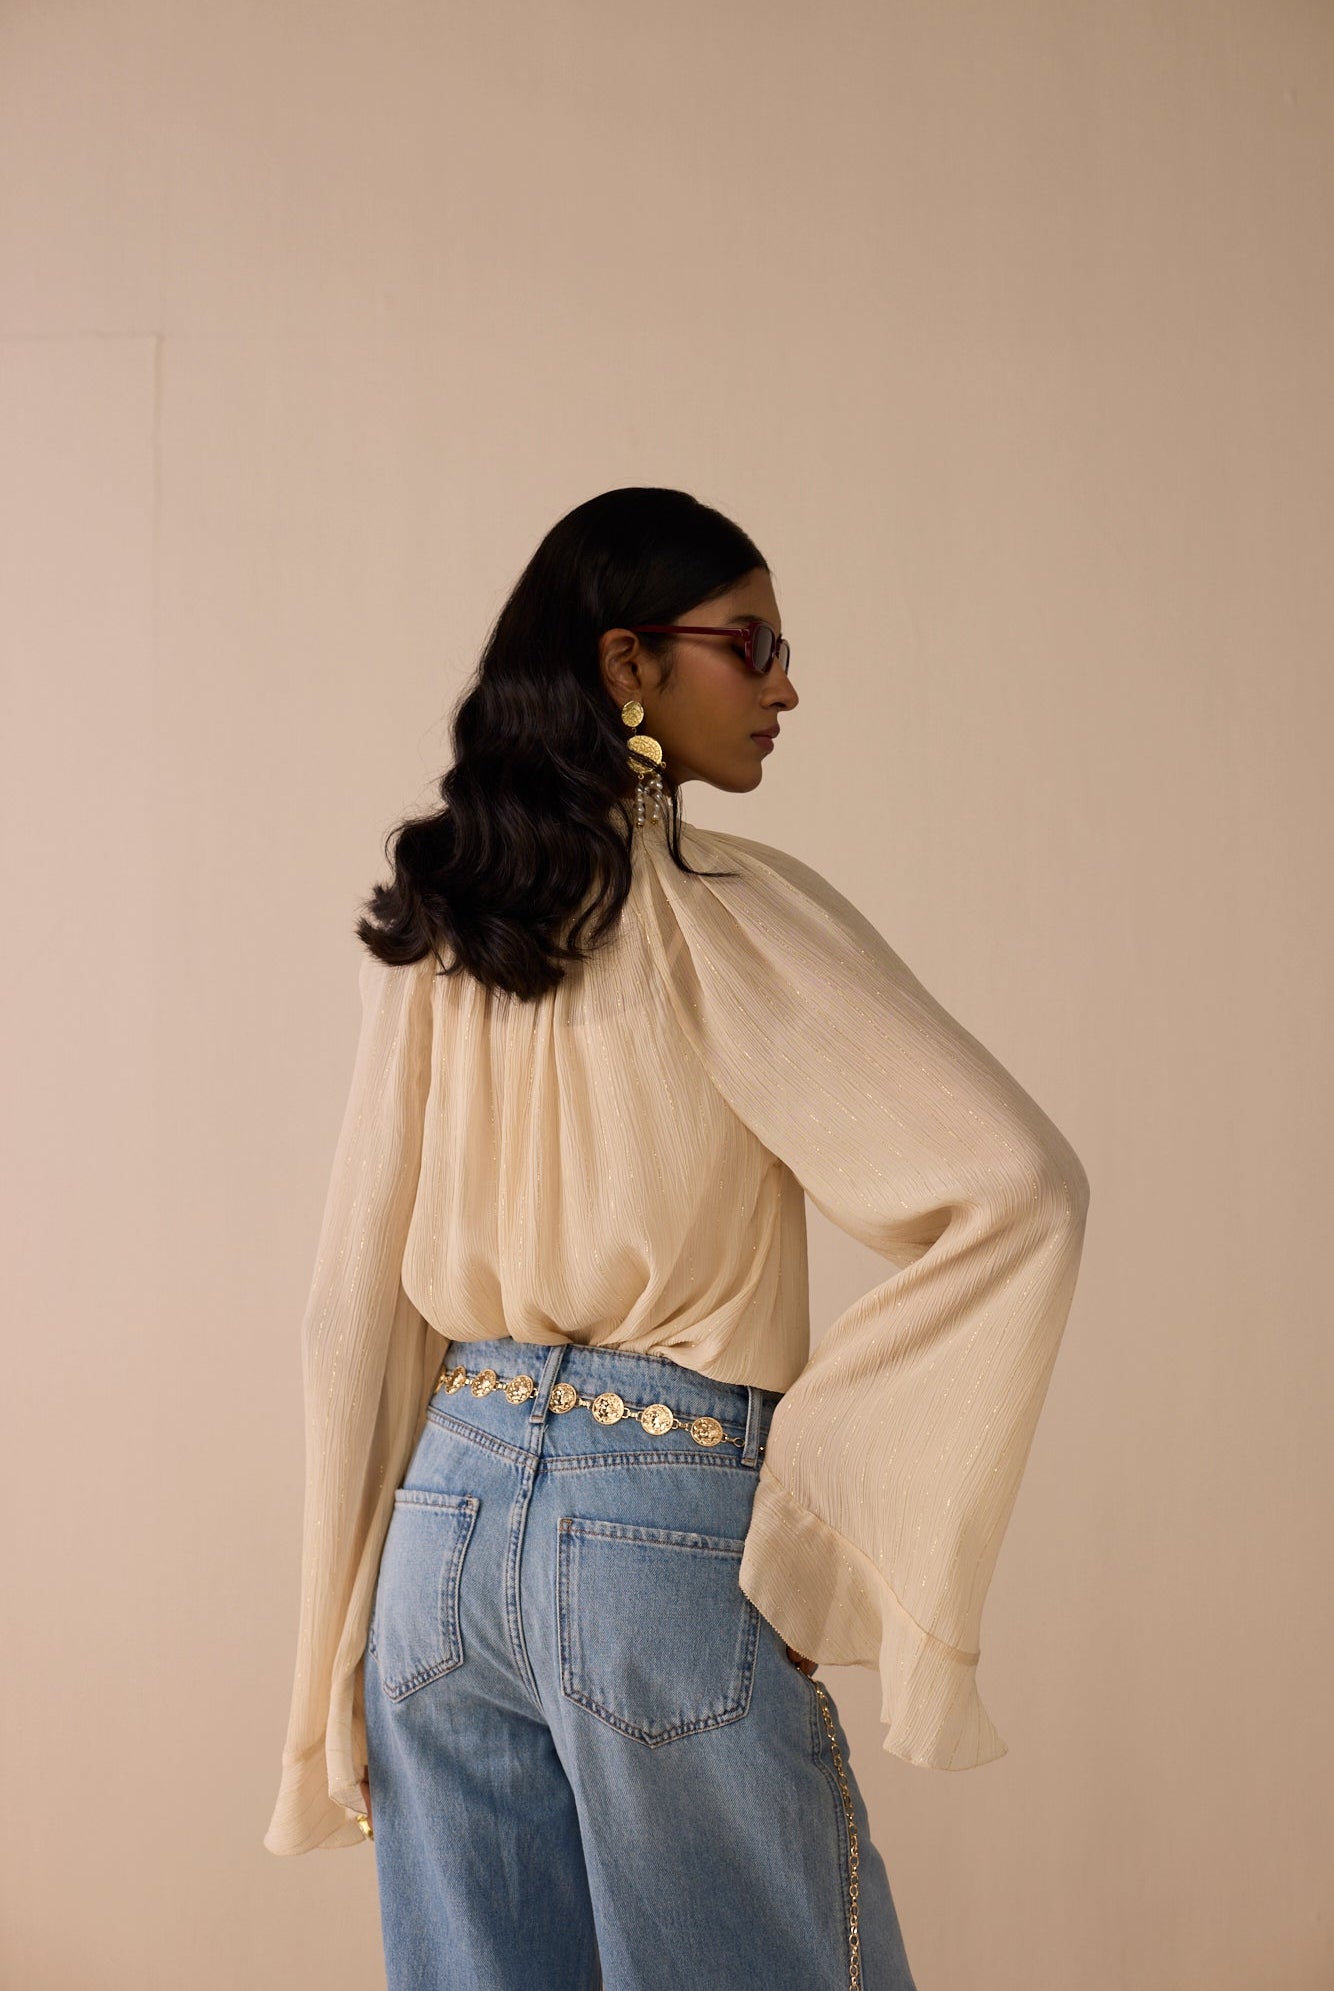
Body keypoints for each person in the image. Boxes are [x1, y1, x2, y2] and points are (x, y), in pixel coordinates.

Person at [263, 487, 1091, 1991]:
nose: (785, 686)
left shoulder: (437, 927)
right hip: (659, 1533)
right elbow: (1018, 1187)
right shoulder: (727, 918)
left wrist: (334, 1651)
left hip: (438, 1544)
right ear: (627, 665)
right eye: (750, 643)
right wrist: (819, 1521)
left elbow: (351, 1312)